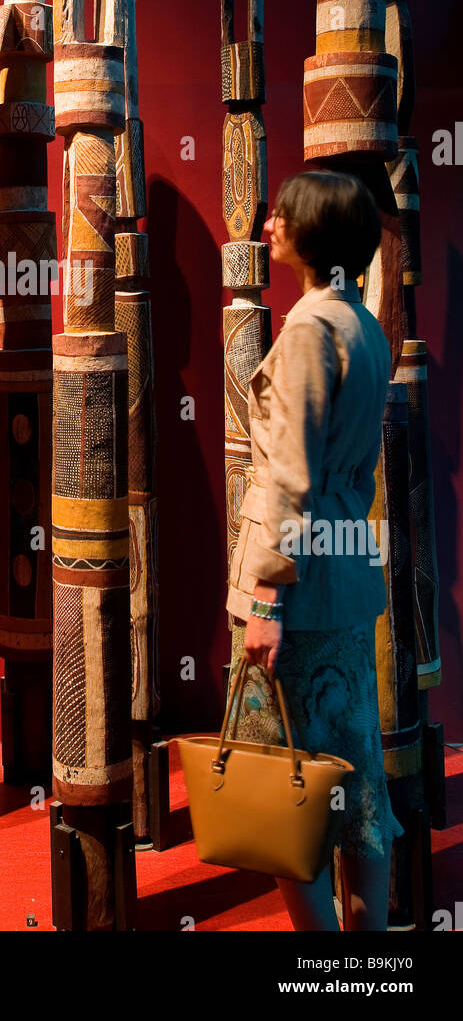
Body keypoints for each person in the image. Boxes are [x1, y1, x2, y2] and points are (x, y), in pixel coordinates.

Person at [226, 168, 403, 931]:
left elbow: (288, 476)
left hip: (298, 590)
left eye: (283, 216)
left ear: (315, 234)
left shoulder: (307, 330)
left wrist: (266, 599)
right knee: (355, 788)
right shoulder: (361, 324)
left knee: (281, 795)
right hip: (346, 572)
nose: (268, 224)